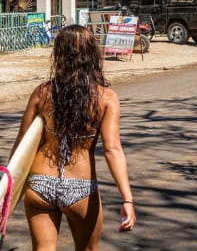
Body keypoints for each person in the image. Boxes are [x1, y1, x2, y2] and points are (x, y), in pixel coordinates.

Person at [11, 24, 135, 251]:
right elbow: (112, 150)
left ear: (58, 54)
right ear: (92, 55)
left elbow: (21, 144)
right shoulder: (106, 98)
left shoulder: (42, 92)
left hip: (40, 184)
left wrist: (8, 189)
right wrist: (127, 198)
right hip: (81, 187)